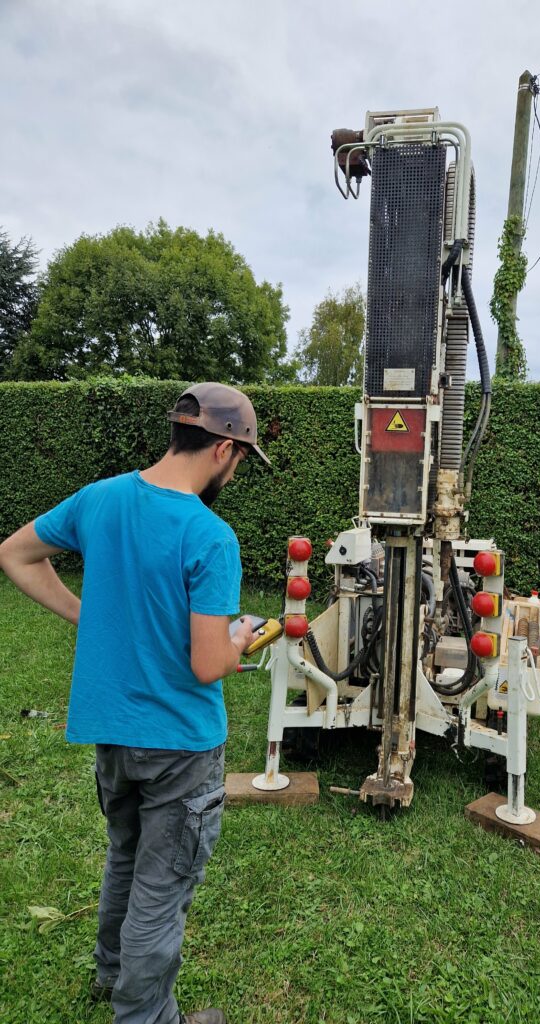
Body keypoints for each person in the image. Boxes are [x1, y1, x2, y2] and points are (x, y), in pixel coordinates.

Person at [0, 382, 270, 1024]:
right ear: (224, 450)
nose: (234, 472)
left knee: (126, 853)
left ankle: (110, 974)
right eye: (239, 460)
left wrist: (84, 612)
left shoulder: (101, 499)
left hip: (112, 732)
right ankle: (145, 1014)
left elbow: (14, 553)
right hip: (180, 741)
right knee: (161, 884)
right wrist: (240, 641)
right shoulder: (211, 536)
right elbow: (208, 664)